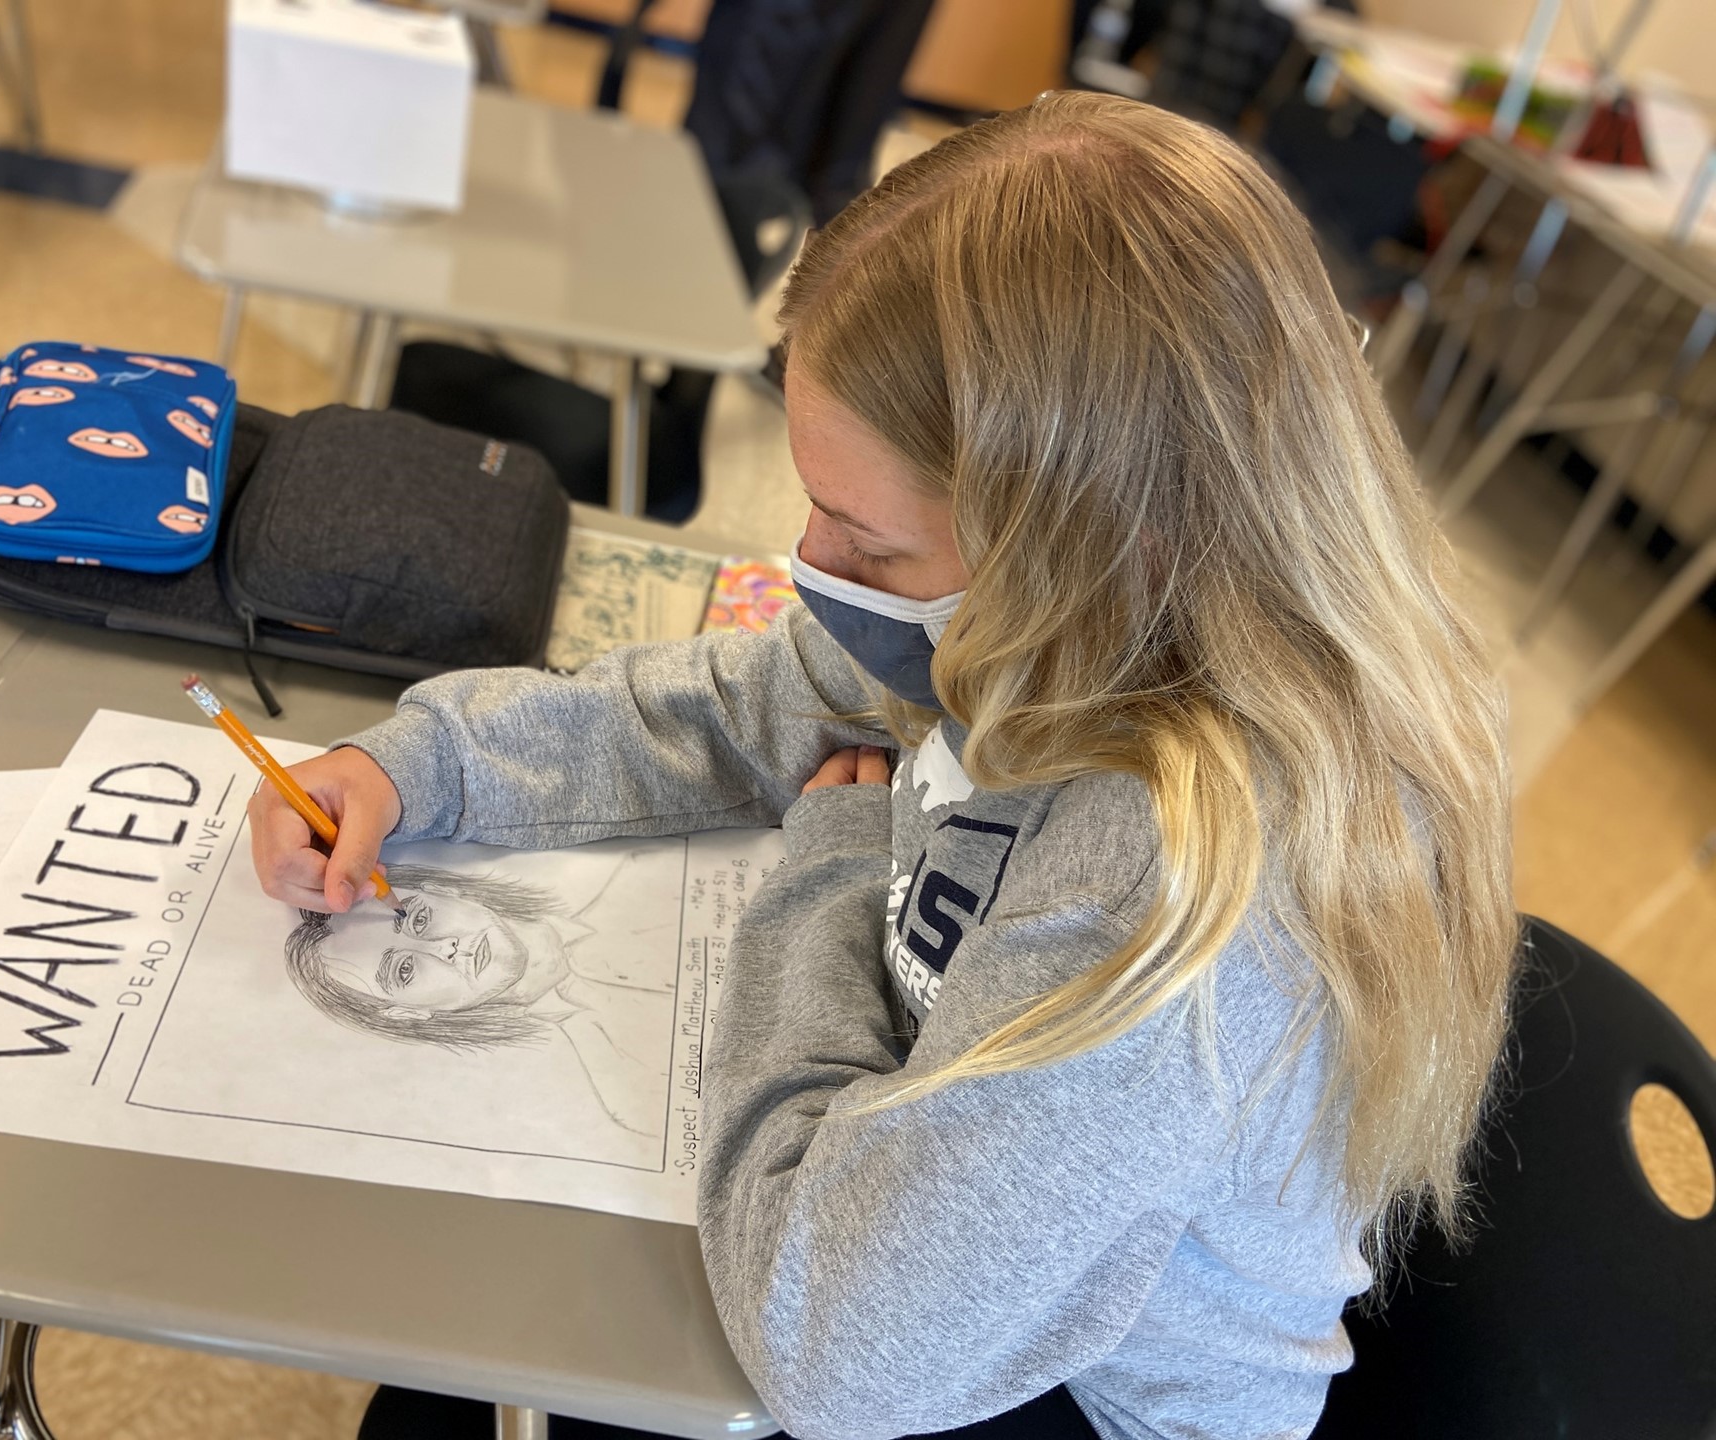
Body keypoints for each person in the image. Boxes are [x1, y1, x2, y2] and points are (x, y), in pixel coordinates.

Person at [249, 91, 1515, 1440]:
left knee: (465, 1394)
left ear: (1095, 543)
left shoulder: (1182, 893)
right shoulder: (1062, 622)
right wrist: (421, 767)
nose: (813, 569)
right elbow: (743, 700)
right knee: (463, 1360)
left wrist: (831, 888)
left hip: (1067, 1400)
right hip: (935, 1240)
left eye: (871, 545)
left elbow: (834, 1346)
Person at [283, 855, 679, 1136]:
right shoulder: (632, 1096)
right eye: (404, 970)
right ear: (407, 1014)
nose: (445, 948)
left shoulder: (653, 872)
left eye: (420, 918)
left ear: (444, 890)